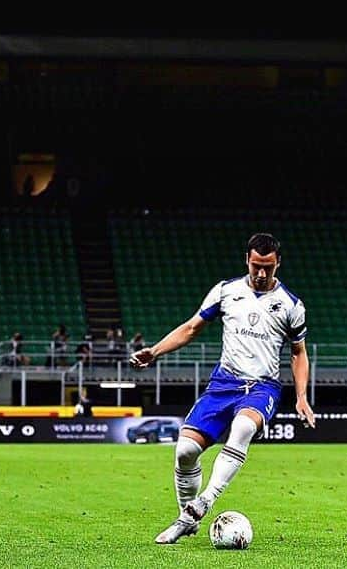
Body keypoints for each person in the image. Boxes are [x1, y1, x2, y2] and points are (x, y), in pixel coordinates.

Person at [130, 232, 316, 545]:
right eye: (256, 265)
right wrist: (155, 351)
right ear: (247, 259)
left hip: (262, 386)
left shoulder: (291, 305)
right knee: (185, 452)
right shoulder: (226, 291)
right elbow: (191, 328)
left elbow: (299, 353)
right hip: (223, 384)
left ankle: (205, 501)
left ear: (278, 264)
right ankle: (186, 518)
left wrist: (301, 396)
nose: (260, 273)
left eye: (268, 268)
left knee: (243, 426)